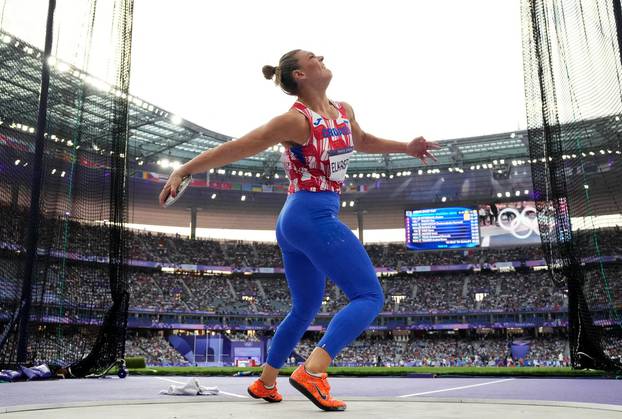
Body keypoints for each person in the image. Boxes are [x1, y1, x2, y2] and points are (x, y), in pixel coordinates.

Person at [159, 49, 439, 411]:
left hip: (295, 219)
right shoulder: (295, 121)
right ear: (299, 76)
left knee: (304, 308)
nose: (321, 56)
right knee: (369, 296)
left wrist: (406, 147)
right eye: (312, 57)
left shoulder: (344, 110)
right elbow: (239, 146)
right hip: (311, 214)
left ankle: (265, 383)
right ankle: (314, 371)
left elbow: (362, 140)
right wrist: (185, 169)